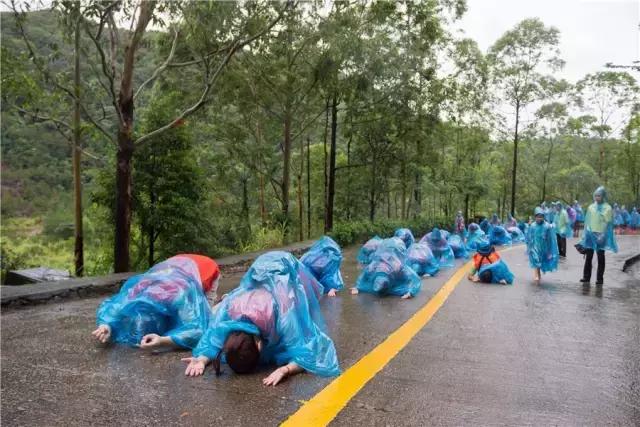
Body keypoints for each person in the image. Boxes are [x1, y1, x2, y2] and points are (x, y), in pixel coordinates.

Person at [182, 251, 340, 386]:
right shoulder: (229, 310)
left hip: (285, 265)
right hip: (258, 270)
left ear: (259, 345)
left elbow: (307, 353)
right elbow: (211, 339)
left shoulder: (284, 315)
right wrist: (202, 359)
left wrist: (286, 370)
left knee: (304, 316)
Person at [92, 254, 219, 349]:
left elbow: (197, 330)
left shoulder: (178, 298)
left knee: (207, 317)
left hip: (205, 269)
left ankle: (222, 303)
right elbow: (112, 310)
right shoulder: (136, 295)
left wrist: (163, 340)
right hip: (175, 264)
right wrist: (106, 326)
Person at [351, 241, 422, 299]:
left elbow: (414, 279)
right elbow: (362, 277)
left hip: (397, 250)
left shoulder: (398, 268)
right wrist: (357, 287)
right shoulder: (372, 268)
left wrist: (411, 293)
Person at [579, 187, 617, 285]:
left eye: (599, 196)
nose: (597, 198)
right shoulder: (591, 207)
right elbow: (587, 221)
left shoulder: (607, 208)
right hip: (590, 234)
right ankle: (586, 277)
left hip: (601, 235)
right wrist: (585, 235)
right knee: (588, 257)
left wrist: (604, 234)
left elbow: (608, 223)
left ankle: (599, 279)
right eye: (595, 195)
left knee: (600, 257)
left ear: (603, 196)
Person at [526, 207, 559, 284]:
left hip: (544, 247)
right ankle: (536, 275)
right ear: (535, 217)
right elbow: (528, 236)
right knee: (536, 259)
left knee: (541, 260)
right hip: (534, 246)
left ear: (543, 217)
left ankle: (538, 273)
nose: (539, 218)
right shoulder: (533, 226)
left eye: (541, 217)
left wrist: (550, 249)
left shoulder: (546, 226)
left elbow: (551, 238)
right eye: (538, 217)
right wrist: (529, 246)